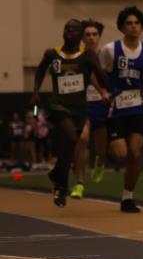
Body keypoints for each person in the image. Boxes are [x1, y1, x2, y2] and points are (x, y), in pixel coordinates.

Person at [31, 19, 109, 207]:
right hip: (59, 106)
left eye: (74, 29)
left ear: (80, 35)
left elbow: (103, 81)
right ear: (63, 32)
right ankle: (61, 186)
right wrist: (35, 92)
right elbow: (40, 70)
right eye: (67, 28)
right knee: (72, 138)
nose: (70, 31)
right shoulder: (52, 54)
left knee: (68, 146)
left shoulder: (87, 55)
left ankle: (56, 176)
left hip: (80, 110)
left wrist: (96, 66)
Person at [100, 6, 143, 212]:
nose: (133, 26)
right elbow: (98, 73)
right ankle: (106, 151)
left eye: (137, 23)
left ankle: (127, 197)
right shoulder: (110, 50)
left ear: (141, 27)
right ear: (121, 27)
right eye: (129, 23)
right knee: (121, 155)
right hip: (116, 107)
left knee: (136, 155)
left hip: (137, 107)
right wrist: (103, 91)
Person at [71, 19, 110, 199]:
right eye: (87, 35)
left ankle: (100, 162)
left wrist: (106, 92)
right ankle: (79, 182)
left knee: (101, 148)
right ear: (82, 38)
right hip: (83, 103)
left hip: (101, 104)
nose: (91, 38)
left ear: (99, 37)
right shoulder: (76, 56)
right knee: (82, 139)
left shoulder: (107, 55)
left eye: (95, 34)